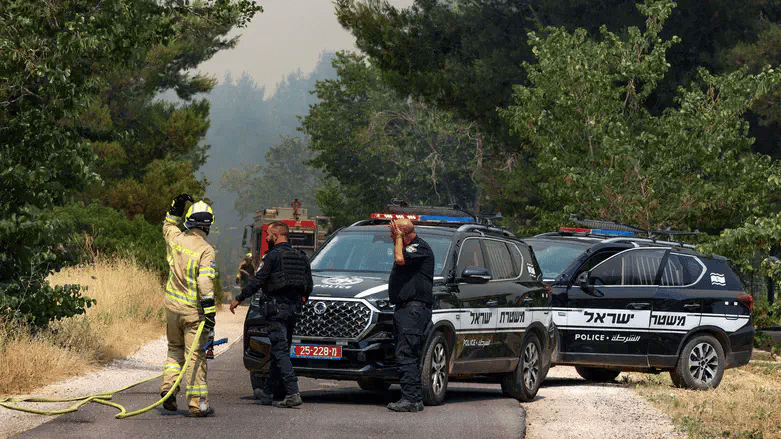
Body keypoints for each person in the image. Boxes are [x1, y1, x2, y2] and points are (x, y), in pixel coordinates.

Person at [229, 221, 313, 408]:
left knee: (280, 351)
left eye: (268, 233)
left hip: (275, 311)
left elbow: (258, 281)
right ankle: (267, 393)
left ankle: (292, 392)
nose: (266, 236)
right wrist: (300, 300)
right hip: (293, 311)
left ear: (276, 235)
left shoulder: (272, 257)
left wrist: (239, 298)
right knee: (279, 351)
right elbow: (309, 285)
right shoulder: (301, 256)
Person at [160, 193, 217, 417]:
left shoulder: (176, 239)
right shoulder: (206, 250)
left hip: (172, 308)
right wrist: (210, 312)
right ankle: (197, 404)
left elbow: (168, 226)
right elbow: (205, 281)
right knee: (195, 357)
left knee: (175, 351)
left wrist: (175, 207)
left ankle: (168, 390)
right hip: (193, 313)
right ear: (208, 225)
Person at [386, 218, 434, 412]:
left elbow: (400, 258)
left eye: (394, 234)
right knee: (404, 353)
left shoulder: (419, 248)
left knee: (407, 354)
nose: (391, 237)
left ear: (403, 233)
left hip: (413, 310)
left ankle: (412, 399)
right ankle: (411, 397)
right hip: (405, 308)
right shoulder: (410, 247)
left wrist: (398, 236)